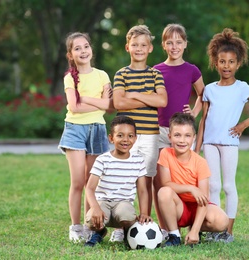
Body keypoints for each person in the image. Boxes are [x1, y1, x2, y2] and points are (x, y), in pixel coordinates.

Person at [195, 28, 249, 243]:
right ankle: (214, 228)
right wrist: (196, 147)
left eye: (231, 62)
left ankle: (228, 232)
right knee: (213, 186)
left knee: (228, 186)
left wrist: (243, 125)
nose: (226, 66)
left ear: (238, 64)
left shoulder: (242, 88)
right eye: (222, 61)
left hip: (229, 143)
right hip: (209, 142)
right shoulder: (209, 89)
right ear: (215, 63)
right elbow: (203, 120)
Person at [111, 25, 168, 242]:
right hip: (127, 135)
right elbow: (118, 102)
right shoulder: (121, 74)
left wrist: (133, 94)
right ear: (127, 47)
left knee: (146, 179)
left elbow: (162, 100)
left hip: (150, 134)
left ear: (151, 48)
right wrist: (146, 96)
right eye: (135, 45)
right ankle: (119, 226)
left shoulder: (156, 74)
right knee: (122, 177)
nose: (139, 48)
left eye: (143, 45)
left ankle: (145, 220)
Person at [58, 32, 113, 242]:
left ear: (91, 49)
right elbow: (73, 106)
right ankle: (75, 227)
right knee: (78, 181)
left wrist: (86, 99)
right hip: (75, 129)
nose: (83, 51)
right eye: (77, 48)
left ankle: (91, 226)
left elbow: (108, 106)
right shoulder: (70, 77)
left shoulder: (102, 75)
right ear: (70, 54)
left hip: (98, 129)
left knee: (93, 182)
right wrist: (96, 101)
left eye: (86, 46)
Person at [153, 23, 205, 234]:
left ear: (185, 44)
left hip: (182, 133)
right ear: (164, 45)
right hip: (160, 131)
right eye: (169, 42)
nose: (174, 46)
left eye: (178, 42)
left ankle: (193, 222)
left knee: (185, 179)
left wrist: (194, 111)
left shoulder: (191, 70)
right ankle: (165, 228)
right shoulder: (156, 70)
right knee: (160, 183)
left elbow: (203, 94)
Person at [157, 113, 229, 246]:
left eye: (187, 135)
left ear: (194, 138)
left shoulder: (200, 162)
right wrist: (191, 188)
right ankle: (174, 236)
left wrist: (195, 230)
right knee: (164, 192)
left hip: (198, 207)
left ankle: (196, 229)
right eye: (177, 135)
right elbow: (166, 183)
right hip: (179, 207)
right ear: (169, 136)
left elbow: (203, 199)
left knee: (222, 221)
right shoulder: (165, 154)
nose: (182, 140)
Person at [84, 116, 152, 247]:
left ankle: (128, 232)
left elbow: (143, 190)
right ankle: (99, 232)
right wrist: (95, 207)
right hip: (103, 202)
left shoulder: (138, 161)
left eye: (130, 136)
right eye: (120, 135)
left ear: (135, 139)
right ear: (111, 138)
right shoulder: (103, 160)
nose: (125, 140)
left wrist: (144, 212)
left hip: (123, 203)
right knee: (92, 218)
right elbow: (89, 188)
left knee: (126, 214)